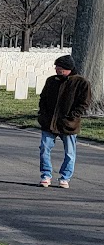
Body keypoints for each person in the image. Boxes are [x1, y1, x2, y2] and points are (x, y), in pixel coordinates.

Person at [37, 54, 93, 188]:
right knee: (44, 149)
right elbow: (43, 99)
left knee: (70, 152)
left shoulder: (81, 83)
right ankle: (46, 175)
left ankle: (65, 177)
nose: (56, 69)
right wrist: (42, 114)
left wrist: (72, 116)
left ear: (67, 68)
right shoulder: (51, 81)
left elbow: (84, 103)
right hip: (49, 122)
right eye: (56, 66)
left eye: (59, 67)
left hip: (69, 124)